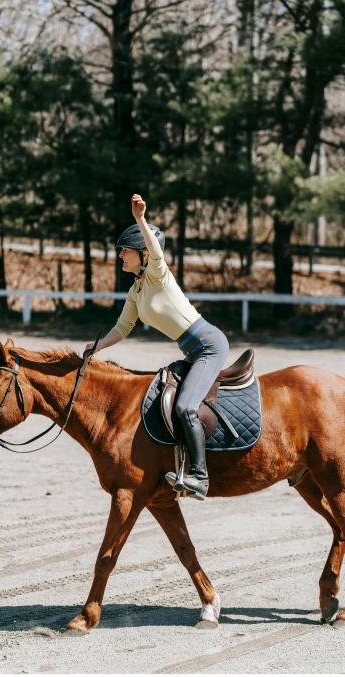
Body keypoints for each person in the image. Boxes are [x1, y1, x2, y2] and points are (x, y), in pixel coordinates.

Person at [85, 194, 229, 499]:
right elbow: (122, 328)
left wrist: (140, 219)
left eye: (125, 251)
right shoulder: (136, 290)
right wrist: (96, 346)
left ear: (142, 254)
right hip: (192, 350)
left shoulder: (158, 274)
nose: (120, 256)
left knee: (186, 407)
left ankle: (200, 478)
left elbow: (157, 252)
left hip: (208, 345)